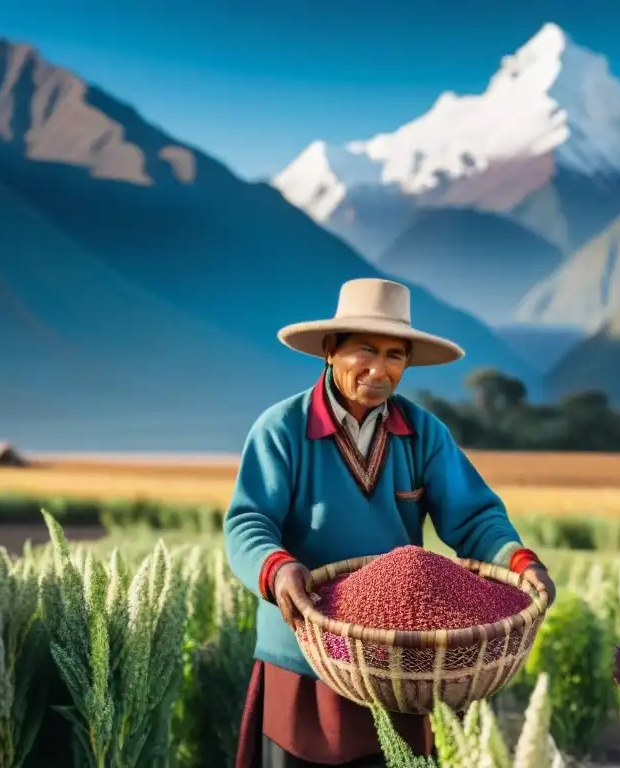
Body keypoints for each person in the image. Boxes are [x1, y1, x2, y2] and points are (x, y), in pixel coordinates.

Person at [226, 278, 557, 768]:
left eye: (395, 355)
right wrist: (277, 570)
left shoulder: (422, 432)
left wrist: (519, 561)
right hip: (304, 652)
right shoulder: (282, 429)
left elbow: (475, 517)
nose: (380, 370)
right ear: (330, 349)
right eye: (365, 350)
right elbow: (249, 522)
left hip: (401, 664)